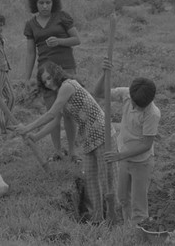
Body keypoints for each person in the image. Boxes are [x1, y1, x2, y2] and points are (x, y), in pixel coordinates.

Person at [15, 61, 117, 223]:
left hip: (102, 133)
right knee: (90, 180)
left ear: (57, 73)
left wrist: (27, 128)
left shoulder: (68, 86)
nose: (48, 83)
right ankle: (97, 219)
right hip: (88, 138)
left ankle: (115, 219)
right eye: (45, 81)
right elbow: (54, 122)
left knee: (108, 179)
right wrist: (35, 136)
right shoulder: (61, 94)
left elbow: (50, 114)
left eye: (49, 78)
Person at [93, 58, 160, 225]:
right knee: (122, 197)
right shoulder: (127, 94)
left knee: (138, 205)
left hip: (141, 163)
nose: (136, 108)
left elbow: (146, 144)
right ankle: (127, 228)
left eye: (140, 107)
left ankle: (138, 232)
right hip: (124, 159)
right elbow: (99, 93)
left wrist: (119, 155)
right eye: (135, 104)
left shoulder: (152, 113)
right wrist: (104, 73)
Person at [23, 0, 81, 162]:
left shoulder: (62, 17)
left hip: (66, 70)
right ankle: (57, 151)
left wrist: (60, 42)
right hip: (46, 74)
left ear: (53, 2)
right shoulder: (30, 24)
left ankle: (72, 152)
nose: (45, 6)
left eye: (48, 2)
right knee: (52, 112)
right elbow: (31, 52)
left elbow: (76, 40)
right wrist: (27, 77)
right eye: (41, 3)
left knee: (69, 112)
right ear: (35, 4)